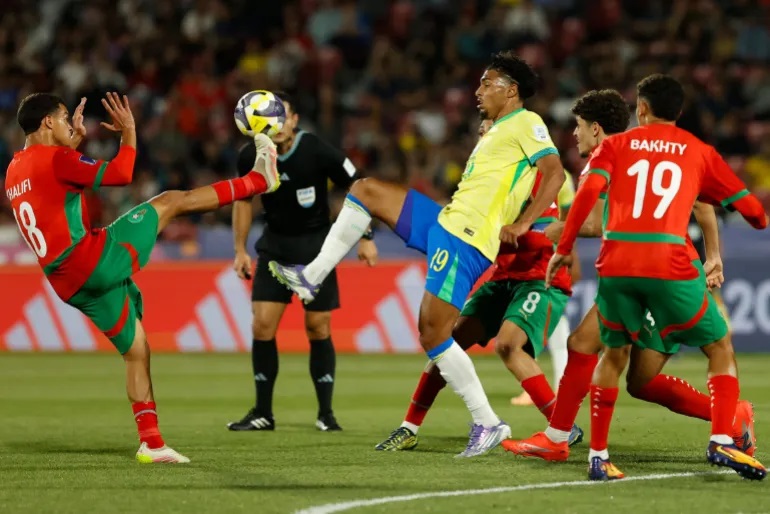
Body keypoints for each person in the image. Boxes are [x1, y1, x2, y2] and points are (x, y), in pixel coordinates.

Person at [271, 51, 567, 457]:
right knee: (365, 190)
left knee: (433, 333)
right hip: (446, 220)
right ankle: (312, 276)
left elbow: (555, 172)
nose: (477, 90)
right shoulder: (496, 129)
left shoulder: (528, 122)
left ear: (511, 90)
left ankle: (487, 422)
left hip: (467, 237)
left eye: (487, 82)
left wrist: (523, 222)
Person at [4, 92, 280, 463]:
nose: (71, 123)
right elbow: (121, 174)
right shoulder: (57, 159)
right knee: (169, 202)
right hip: (90, 260)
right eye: (65, 116)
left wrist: (75, 140)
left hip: (66, 282)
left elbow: (54, 183)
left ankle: (151, 443)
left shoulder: (14, 170)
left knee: (136, 350)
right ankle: (259, 181)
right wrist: (129, 132)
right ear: (48, 122)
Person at [504, 88, 756, 471]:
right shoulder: (644, 151)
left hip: (662, 275)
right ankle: (558, 437)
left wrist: (550, 233)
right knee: (614, 364)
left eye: (578, 127)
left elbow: (701, 205)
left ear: (596, 128)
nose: (574, 136)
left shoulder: (619, 152)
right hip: (642, 270)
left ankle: (731, 419)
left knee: (612, 359)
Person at [375, 118, 584, 452]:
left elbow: (549, 235)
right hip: (503, 279)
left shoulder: (541, 179)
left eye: (493, 130)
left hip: (539, 278)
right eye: (484, 131)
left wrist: (507, 236)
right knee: (445, 345)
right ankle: (408, 427)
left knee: (508, 344)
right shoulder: (487, 182)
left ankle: (562, 425)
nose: (485, 135)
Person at [227, 92, 378, 433]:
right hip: (274, 250)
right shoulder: (251, 155)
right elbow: (242, 200)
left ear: (294, 120)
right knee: (262, 326)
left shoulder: (316, 150)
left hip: (317, 252)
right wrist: (239, 249)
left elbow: (359, 186)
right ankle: (262, 413)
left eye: (284, 116)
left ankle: (326, 414)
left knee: (318, 328)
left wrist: (366, 237)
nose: (277, 123)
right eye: (271, 118)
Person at [511, 171, 576, 406]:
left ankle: (551, 387)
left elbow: (568, 219)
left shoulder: (559, 177)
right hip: (527, 254)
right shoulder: (559, 176)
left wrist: (568, 252)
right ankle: (547, 386)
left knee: (539, 324)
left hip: (545, 253)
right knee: (529, 324)